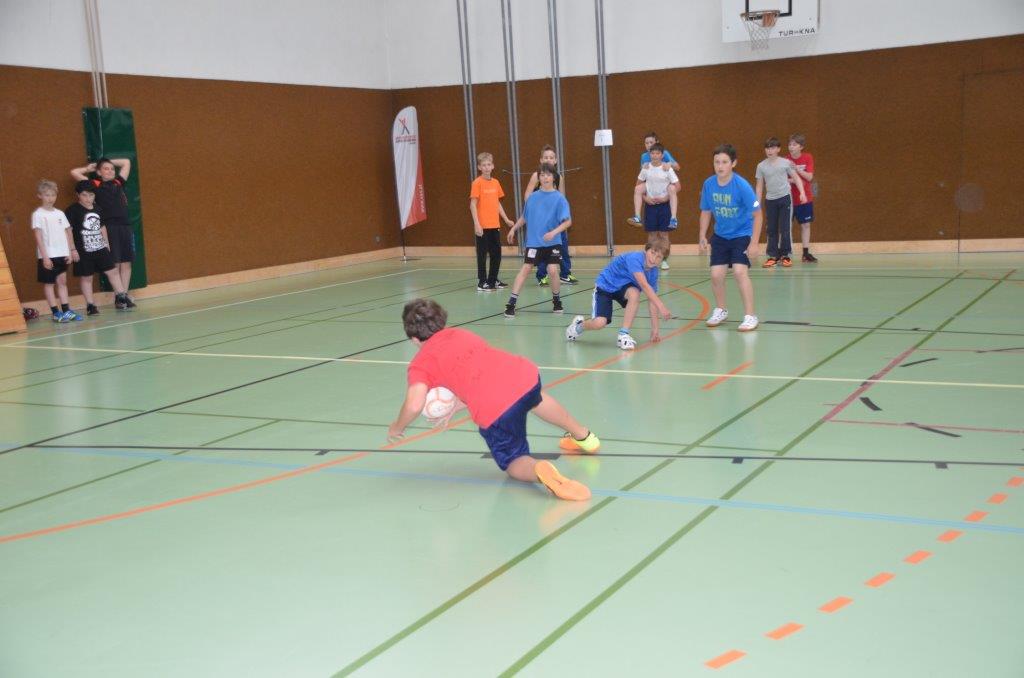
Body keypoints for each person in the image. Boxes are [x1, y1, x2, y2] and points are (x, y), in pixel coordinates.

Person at [387, 298, 600, 501]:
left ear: (414, 339)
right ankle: (584, 436)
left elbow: (415, 404)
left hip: (495, 410)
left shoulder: (421, 364)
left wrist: (398, 427)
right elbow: (481, 371)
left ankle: (539, 469)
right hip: (522, 374)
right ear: (442, 321)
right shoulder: (461, 333)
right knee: (536, 399)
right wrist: (457, 404)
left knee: (513, 462)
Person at [565, 234, 672, 350]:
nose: (653, 259)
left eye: (659, 257)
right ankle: (578, 326)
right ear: (647, 249)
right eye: (652, 253)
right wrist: (662, 306)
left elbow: (652, 300)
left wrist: (655, 329)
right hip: (605, 286)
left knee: (634, 293)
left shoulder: (653, 273)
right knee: (599, 323)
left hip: (623, 288)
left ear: (663, 259)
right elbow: (644, 286)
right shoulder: (635, 258)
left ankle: (623, 334)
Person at [698, 143, 762, 332]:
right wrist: (702, 235)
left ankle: (750, 315)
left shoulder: (742, 186)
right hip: (720, 235)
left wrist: (754, 243)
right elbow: (706, 211)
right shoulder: (709, 184)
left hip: (741, 234)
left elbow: (758, 214)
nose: (720, 166)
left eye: (724, 162)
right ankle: (721, 310)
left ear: (733, 163)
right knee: (716, 275)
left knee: (740, 272)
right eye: (717, 162)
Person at [503, 163, 571, 318]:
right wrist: (514, 229)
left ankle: (556, 300)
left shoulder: (559, 199)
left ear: (553, 177)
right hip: (534, 242)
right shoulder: (533, 198)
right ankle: (511, 303)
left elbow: (568, 222)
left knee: (552, 270)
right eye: (542, 175)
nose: (545, 177)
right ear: (538, 178)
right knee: (526, 268)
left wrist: (554, 232)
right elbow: (524, 217)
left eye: (548, 175)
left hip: (552, 242)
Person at [71, 157, 138, 305]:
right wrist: (91, 167)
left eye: (112, 169)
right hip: (109, 227)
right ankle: (119, 296)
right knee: (116, 263)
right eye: (106, 169)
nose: (110, 171)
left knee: (126, 263)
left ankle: (124, 296)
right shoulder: (95, 184)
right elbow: (74, 173)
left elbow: (126, 162)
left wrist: (108, 162)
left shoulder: (118, 182)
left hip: (125, 226)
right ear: (99, 172)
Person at [64, 180, 132, 314]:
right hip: (83, 250)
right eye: (84, 195)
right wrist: (72, 249)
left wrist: (106, 244)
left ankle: (121, 297)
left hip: (100, 247)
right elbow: (68, 231)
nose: (88, 198)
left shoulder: (98, 209)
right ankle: (90, 305)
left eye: (91, 195)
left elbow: (102, 227)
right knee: (87, 277)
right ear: (78, 195)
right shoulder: (72, 210)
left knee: (112, 271)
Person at [523, 145, 578, 286]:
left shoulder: (559, 177)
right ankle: (542, 275)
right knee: (542, 247)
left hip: (555, 220)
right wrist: (534, 212)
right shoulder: (536, 176)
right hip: (541, 221)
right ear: (541, 160)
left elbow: (562, 196)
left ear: (556, 160)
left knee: (562, 245)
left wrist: (563, 215)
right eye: (546, 157)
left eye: (551, 157)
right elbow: (527, 195)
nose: (548, 159)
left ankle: (565, 273)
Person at [31, 180, 81, 322]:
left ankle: (66, 310)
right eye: (47, 195)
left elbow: (68, 232)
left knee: (62, 282)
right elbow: (38, 236)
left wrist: (70, 251)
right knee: (49, 284)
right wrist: (45, 257)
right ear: (40, 196)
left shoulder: (60, 213)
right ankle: (55, 312)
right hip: (48, 255)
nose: (50, 198)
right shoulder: (38, 214)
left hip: (62, 254)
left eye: (53, 195)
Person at [755, 137, 805, 268]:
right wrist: (756, 203)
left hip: (785, 198)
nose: (769, 151)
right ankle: (772, 256)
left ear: (778, 149)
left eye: (772, 148)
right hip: (770, 201)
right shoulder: (761, 166)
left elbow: (796, 178)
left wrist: (802, 193)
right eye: (767, 148)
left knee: (785, 228)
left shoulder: (786, 163)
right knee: (771, 229)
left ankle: (785, 255)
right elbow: (759, 186)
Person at [470, 152, 515, 292]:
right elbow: (472, 205)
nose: (486, 167)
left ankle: (493, 279)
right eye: (483, 165)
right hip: (482, 226)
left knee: (496, 254)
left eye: (488, 164)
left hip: (495, 225)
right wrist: (477, 224)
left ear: (493, 166)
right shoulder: (477, 183)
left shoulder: (496, 183)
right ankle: (482, 282)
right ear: (479, 167)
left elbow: (497, 203)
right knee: (482, 255)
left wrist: (506, 219)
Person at [632, 143, 679, 270]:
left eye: (658, 153)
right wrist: (645, 198)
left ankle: (664, 260)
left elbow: (677, 186)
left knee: (664, 235)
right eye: (652, 153)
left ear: (662, 155)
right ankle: (649, 260)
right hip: (651, 206)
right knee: (652, 235)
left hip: (664, 206)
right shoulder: (646, 168)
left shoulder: (667, 168)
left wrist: (666, 197)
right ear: (649, 155)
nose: (655, 156)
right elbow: (638, 186)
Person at [627, 131, 681, 228]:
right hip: (652, 184)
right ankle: (637, 217)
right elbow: (642, 176)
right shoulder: (644, 156)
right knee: (638, 188)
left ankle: (673, 219)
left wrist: (669, 164)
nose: (649, 145)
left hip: (664, 183)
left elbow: (677, 167)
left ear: (657, 142)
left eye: (651, 142)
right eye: (646, 143)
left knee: (672, 188)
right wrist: (645, 197)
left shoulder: (665, 153)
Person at [786, 133, 817, 262]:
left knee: (806, 225)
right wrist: (795, 180)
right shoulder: (785, 160)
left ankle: (805, 253)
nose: (791, 147)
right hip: (788, 199)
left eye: (794, 144)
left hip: (804, 199)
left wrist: (797, 170)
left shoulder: (807, 157)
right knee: (785, 227)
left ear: (801, 147)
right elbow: (782, 179)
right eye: (789, 144)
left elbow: (809, 177)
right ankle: (784, 254)